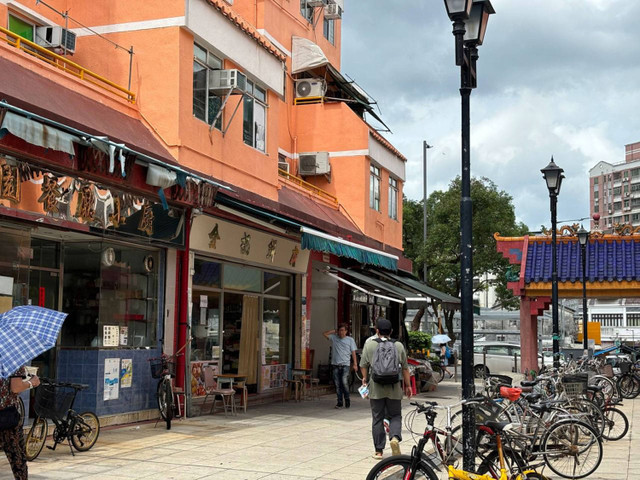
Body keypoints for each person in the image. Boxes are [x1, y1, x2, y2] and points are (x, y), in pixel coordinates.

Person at [360, 317, 412, 460]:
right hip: (394, 387)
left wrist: (364, 378)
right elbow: (406, 369)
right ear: (391, 331)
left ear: (377, 331)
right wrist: (408, 386)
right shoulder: (399, 346)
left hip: (376, 388)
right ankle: (394, 437)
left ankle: (378, 451)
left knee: (377, 418)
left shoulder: (370, 345)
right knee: (395, 415)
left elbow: (363, 365)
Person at [0, 366, 40, 480]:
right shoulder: (12, 361)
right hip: (6, 418)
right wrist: (32, 383)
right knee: (17, 458)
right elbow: (16, 387)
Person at [323, 324, 358, 408]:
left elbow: (353, 352)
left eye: (343, 330)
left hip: (345, 365)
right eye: (340, 330)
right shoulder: (334, 338)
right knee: (337, 384)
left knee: (344, 382)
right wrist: (334, 331)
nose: (342, 332)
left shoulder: (350, 340)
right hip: (335, 365)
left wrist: (355, 364)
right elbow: (324, 334)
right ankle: (339, 402)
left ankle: (347, 399)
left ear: (346, 331)